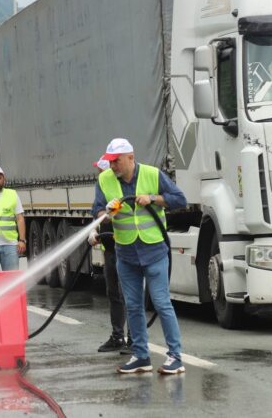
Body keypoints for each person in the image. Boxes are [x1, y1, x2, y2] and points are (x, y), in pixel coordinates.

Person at [92, 138, 187, 375]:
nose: (112, 166)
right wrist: (107, 214)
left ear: (130, 158)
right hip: (125, 252)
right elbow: (97, 209)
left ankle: (175, 356)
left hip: (153, 249)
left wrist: (153, 199)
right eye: (110, 162)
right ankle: (141, 356)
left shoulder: (153, 175)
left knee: (161, 303)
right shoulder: (104, 179)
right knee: (133, 306)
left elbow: (179, 200)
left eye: (117, 161)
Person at [89, 158, 131, 354]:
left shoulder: (123, 187)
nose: (99, 174)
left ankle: (134, 339)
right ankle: (117, 336)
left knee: (129, 295)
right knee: (113, 292)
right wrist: (94, 232)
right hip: (110, 248)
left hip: (127, 247)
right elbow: (99, 212)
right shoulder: (104, 185)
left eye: (100, 169)